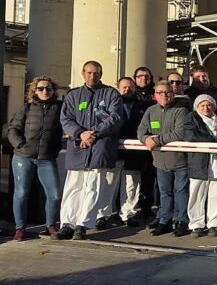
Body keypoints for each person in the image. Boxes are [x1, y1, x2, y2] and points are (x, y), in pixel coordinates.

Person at [58, 61, 124, 240]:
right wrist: (81, 134)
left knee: (93, 187)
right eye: (89, 73)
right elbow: (66, 119)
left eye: (96, 73)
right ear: (82, 73)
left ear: (101, 74)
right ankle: (67, 224)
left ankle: (83, 224)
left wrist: (93, 134)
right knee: (73, 187)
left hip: (99, 148)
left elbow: (116, 117)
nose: (92, 76)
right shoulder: (73, 96)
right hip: (78, 147)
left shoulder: (111, 94)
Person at [7, 76, 63, 241]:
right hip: (23, 157)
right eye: (40, 88)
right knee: (22, 193)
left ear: (53, 91)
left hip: (46, 159)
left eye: (48, 88)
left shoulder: (59, 108)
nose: (44, 91)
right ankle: (20, 228)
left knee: (54, 194)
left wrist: (56, 147)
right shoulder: (26, 108)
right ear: (35, 91)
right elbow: (12, 129)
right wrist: (20, 145)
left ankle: (50, 225)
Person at [137, 81, 190, 237]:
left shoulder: (180, 111)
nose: (164, 95)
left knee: (180, 191)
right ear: (155, 95)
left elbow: (179, 133)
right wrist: (145, 139)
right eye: (160, 92)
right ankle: (164, 221)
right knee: (164, 192)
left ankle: (181, 221)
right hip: (160, 162)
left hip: (180, 162)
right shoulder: (151, 111)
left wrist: (157, 140)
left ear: (172, 94)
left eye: (167, 92)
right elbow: (141, 130)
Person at [106, 77, 149, 229]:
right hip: (114, 149)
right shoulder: (110, 105)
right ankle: (104, 215)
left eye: (130, 87)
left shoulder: (143, 106)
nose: (127, 90)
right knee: (110, 183)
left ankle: (128, 213)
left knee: (131, 185)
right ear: (118, 88)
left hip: (135, 151)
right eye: (124, 87)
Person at [184, 95, 217, 238]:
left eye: (208, 105)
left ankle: (214, 224)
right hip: (199, 161)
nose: (206, 108)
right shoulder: (192, 118)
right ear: (197, 107)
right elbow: (191, 136)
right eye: (202, 105)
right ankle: (196, 224)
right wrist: (213, 140)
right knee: (197, 193)